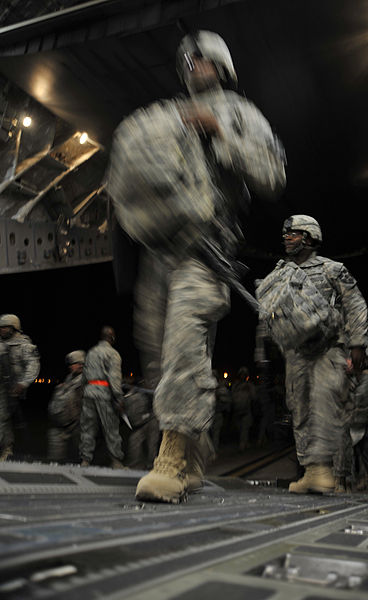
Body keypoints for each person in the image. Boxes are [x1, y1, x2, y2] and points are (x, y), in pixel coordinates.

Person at [107, 30, 286, 502]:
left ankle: (171, 456)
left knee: (185, 341)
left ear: (223, 67)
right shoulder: (166, 115)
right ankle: (192, 462)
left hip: (208, 250)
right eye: (187, 61)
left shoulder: (242, 113)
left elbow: (272, 175)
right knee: (157, 353)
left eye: (203, 60)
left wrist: (221, 132)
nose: (193, 67)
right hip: (163, 249)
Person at [256, 215, 368, 493]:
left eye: (292, 234)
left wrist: (357, 344)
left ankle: (336, 475)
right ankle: (314, 471)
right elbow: (268, 316)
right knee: (300, 407)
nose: (286, 238)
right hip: (297, 353)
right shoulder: (279, 273)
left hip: (329, 348)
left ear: (308, 238)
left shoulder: (333, 269)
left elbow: (355, 304)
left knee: (325, 405)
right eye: (286, 234)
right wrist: (263, 349)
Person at [79, 326, 125, 469]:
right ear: (112, 338)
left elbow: (84, 376)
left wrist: (85, 391)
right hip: (104, 393)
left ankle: (85, 460)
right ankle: (116, 461)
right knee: (111, 428)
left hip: (89, 392)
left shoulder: (91, 352)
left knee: (87, 428)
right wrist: (119, 398)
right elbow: (115, 378)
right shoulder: (113, 354)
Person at [0, 314, 40, 461]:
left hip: (13, 388)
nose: (2, 330)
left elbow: (33, 365)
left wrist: (23, 383)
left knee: (4, 419)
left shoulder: (24, 345)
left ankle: (7, 450)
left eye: (5, 327)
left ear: (14, 327)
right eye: (1, 327)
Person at [47, 350, 85, 463]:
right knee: (55, 440)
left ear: (80, 364)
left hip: (80, 423)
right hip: (66, 421)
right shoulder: (70, 377)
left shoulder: (87, 379)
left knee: (82, 454)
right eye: (70, 364)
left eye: (73, 364)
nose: (70, 367)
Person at [231, 366, 256, 451]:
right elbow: (232, 396)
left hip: (246, 410)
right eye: (241, 374)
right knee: (239, 428)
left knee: (245, 428)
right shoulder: (235, 385)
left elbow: (254, 397)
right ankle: (245, 442)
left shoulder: (250, 385)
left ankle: (242, 444)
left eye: (244, 375)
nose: (242, 376)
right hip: (237, 410)